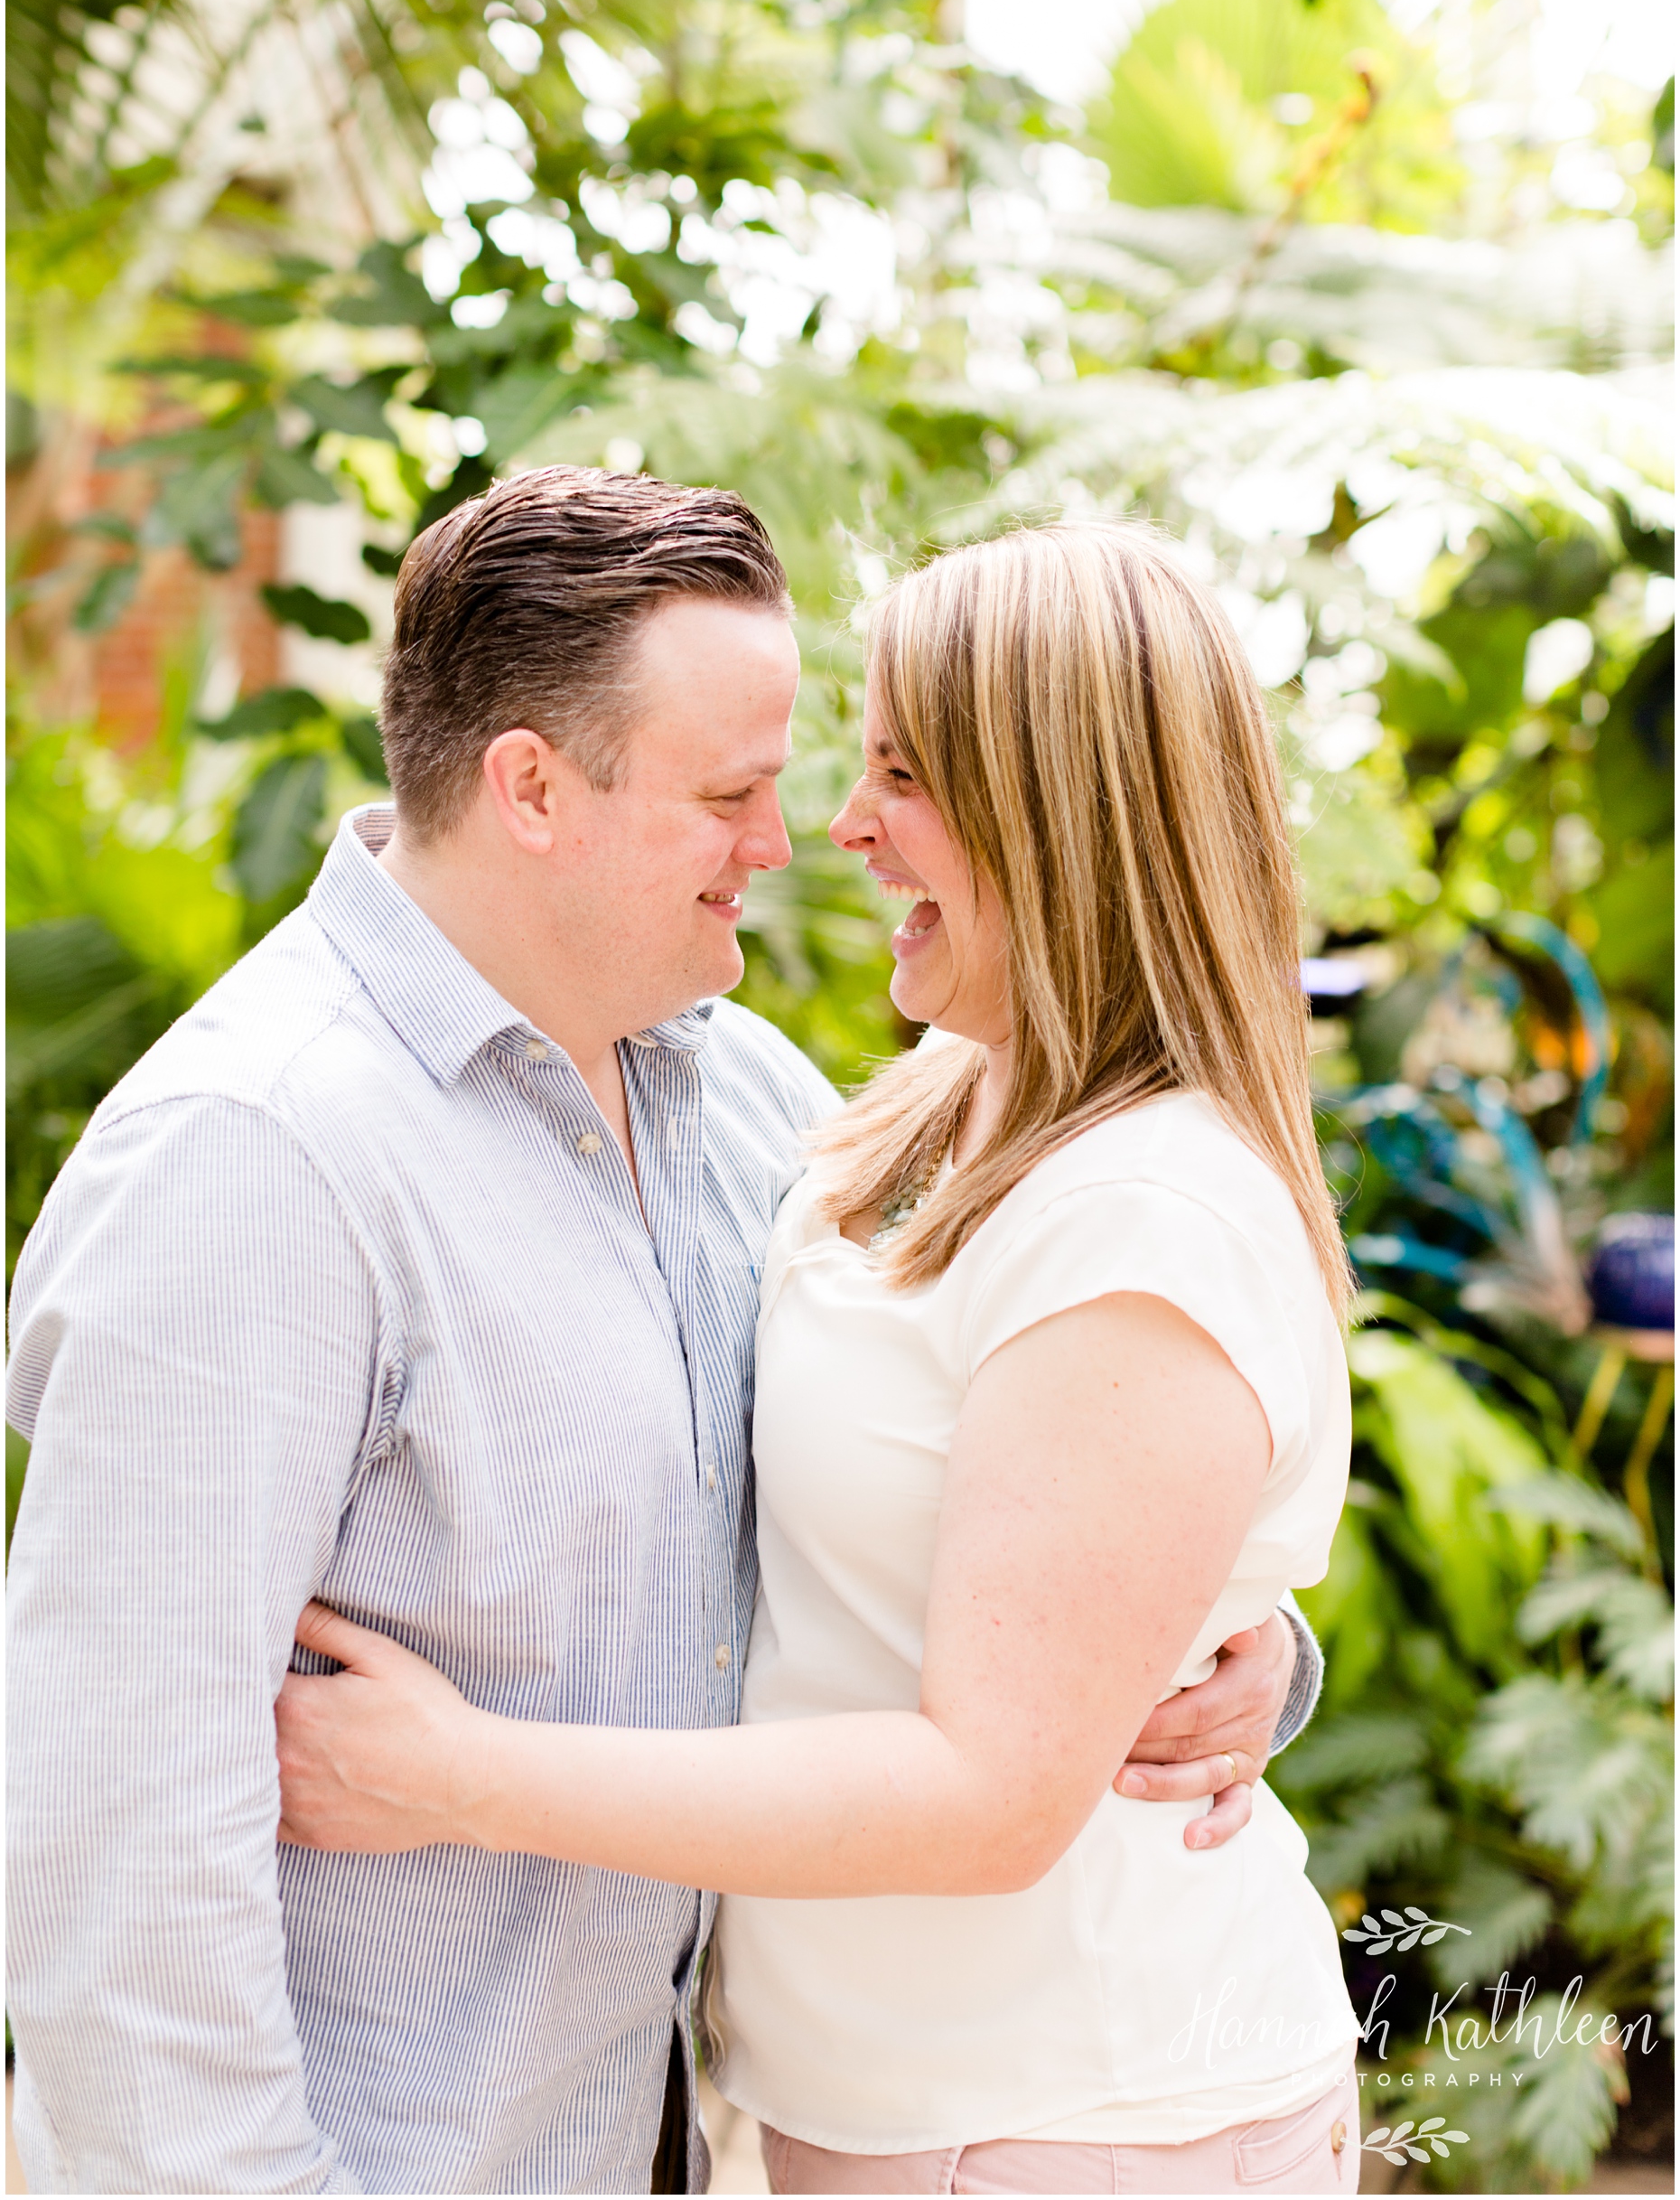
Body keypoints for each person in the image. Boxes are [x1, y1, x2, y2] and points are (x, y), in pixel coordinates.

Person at [6, 475, 1311, 2198]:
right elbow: (119, 1851)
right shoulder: (260, 1161)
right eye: (732, 794)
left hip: (679, 2141)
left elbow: (985, 1522)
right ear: (533, 787)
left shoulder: (761, 1107)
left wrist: (1235, 1656)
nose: (792, 842)